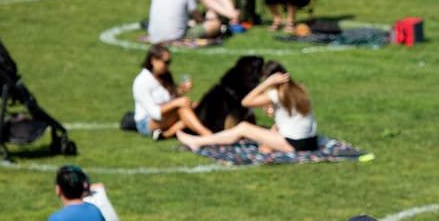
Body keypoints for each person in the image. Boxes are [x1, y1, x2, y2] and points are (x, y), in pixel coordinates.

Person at [177, 67, 319, 153]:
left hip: (296, 144)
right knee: (257, 130)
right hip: (311, 142)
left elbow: (246, 102)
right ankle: (201, 140)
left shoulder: (275, 94)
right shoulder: (298, 90)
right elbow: (288, 121)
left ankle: (198, 141)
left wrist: (266, 84)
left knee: (244, 128)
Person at [131, 43, 212, 140]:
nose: (168, 66)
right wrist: (176, 103)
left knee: (194, 106)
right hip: (146, 123)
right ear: (153, 60)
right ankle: (208, 135)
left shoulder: (164, 76)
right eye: (166, 62)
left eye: (169, 62)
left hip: (165, 116)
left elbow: (169, 98)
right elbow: (154, 112)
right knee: (184, 109)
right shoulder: (142, 81)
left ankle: (166, 135)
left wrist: (181, 91)